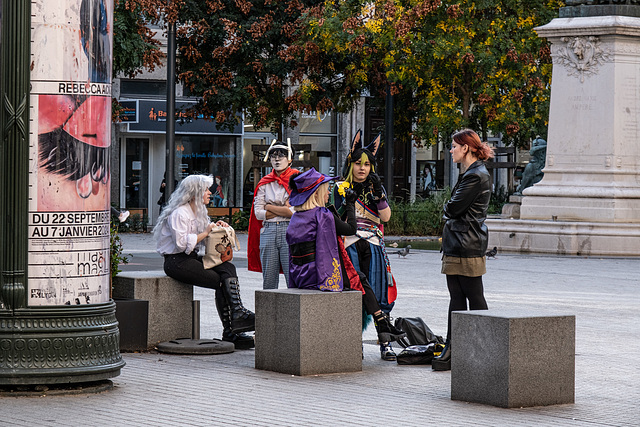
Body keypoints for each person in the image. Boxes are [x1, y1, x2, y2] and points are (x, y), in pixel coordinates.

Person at [286, 168, 405, 345]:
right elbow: (350, 230)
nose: (328, 193)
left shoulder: (297, 217)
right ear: (316, 193)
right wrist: (350, 203)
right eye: (325, 189)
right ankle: (381, 322)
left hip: (300, 276)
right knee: (360, 278)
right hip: (318, 276)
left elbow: (335, 223)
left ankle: (381, 323)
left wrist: (346, 204)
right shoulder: (321, 215)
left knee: (359, 278)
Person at [154, 174, 255, 349]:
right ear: (195, 193)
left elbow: (204, 241)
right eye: (206, 189)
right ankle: (231, 330)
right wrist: (207, 231)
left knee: (227, 267)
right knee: (219, 281)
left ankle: (237, 314)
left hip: (190, 257)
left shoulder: (199, 211)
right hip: (176, 261)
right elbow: (181, 245)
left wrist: (217, 228)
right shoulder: (179, 213)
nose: (210, 192)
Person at [333, 130, 398, 361]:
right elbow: (334, 219)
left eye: (367, 164)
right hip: (348, 243)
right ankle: (354, 341)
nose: (363, 168)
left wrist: (379, 194)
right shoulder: (338, 187)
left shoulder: (374, 188)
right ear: (351, 164)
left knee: (380, 292)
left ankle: (385, 343)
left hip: (372, 244)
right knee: (354, 293)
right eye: (359, 163)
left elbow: (386, 217)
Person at [432, 129, 493, 371]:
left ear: (465, 148)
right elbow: (453, 207)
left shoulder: (476, 175)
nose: (451, 150)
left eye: (455, 146)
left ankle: (486, 348)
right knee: (457, 297)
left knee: (474, 297)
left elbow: (453, 208)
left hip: (466, 243)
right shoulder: (470, 172)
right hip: (459, 241)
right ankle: (453, 347)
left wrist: (449, 208)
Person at [247, 139, 299, 289]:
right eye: (273, 155)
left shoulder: (297, 180)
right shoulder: (264, 182)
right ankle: (268, 312)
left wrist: (269, 207)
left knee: (293, 277)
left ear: (290, 159)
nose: (276, 159)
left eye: (281, 155)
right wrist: (282, 208)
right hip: (268, 231)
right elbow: (258, 213)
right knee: (269, 280)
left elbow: (293, 212)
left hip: (289, 230)